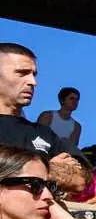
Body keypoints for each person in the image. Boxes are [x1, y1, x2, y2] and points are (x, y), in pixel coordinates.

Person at [0, 44, 89, 194]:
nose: (33, 82)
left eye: (34, 74)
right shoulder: (48, 117)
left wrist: (27, 173)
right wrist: (48, 168)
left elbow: (81, 180)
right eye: (22, 73)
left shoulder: (44, 133)